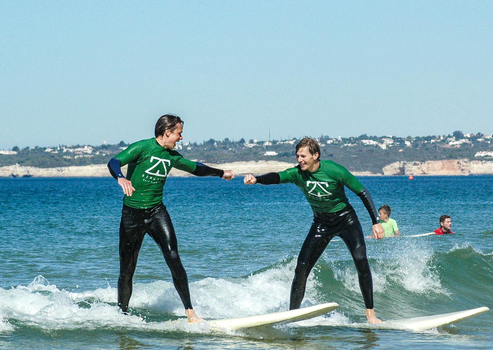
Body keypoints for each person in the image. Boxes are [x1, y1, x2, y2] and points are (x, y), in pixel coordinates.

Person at [243, 137, 385, 324]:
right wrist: (257, 179)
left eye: (303, 156)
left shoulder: (334, 170)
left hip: (346, 220)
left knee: (361, 262)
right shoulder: (297, 174)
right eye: (297, 156)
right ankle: (292, 316)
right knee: (301, 268)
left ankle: (370, 314)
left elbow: (362, 192)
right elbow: (277, 177)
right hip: (321, 223)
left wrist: (375, 221)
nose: (299, 160)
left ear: (315, 155)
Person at [107, 114, 234, 321]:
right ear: (167, 132)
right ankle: (122, 314)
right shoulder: (142, 147)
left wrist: (220, 173)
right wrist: (120, 177)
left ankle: (190, 312)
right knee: (127, 269)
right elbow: (114, 161)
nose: (181, 138)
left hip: (157, 212)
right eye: (179, 133)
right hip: (132, 215)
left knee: (173, 257)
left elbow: (197, 168)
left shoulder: (172, 157)